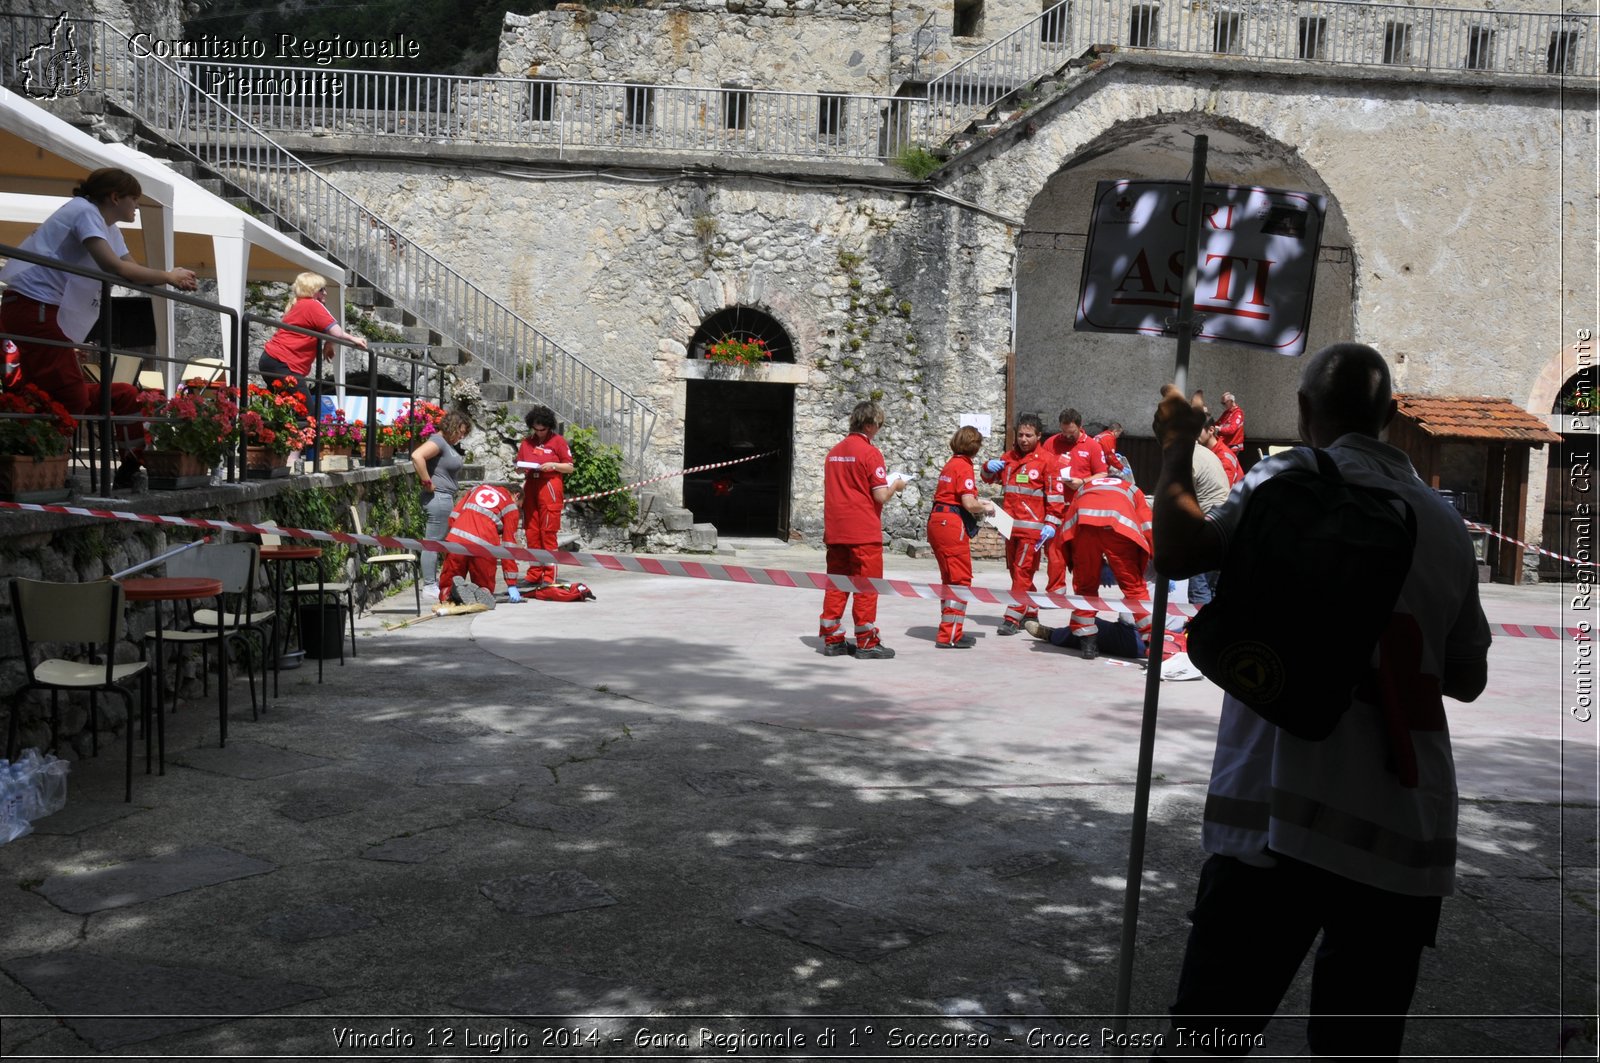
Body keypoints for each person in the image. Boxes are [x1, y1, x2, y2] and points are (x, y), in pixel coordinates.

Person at [1150, 342, 1491, 1059]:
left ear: (1305, 413)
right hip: (1402, 824)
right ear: (1392, 416)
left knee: (1207, 1038)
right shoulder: (1444, 522)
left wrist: (1178, 444)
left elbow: (1180, 551)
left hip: (1280, 812)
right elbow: (1466, 674)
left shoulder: (1289, 477)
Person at [0, 167, 198, 488]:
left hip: (44, 310)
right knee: (68, 395)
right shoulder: (84, 212)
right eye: (133, 199)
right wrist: (168, 276)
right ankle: (44, 469)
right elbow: (114, 266)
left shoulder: (108, 227)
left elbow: (129, 270)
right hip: (32, 306)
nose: (136, 206)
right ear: (114, 197)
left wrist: (167, 278)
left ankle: (131, 466)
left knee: (121, 394)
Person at [819, 400, 906, 659]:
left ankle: (832, 638)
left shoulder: (833, 452)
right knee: (867, 586)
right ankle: (867, 641)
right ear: (869, 425)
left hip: (836, 530)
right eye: (878, 425)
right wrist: (896, 485)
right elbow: (880, 496)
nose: (878, 430)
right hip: (863, 531)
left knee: (836, 584)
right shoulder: (871, 453)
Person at [981, 413, 1063, 635]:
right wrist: (987, 467)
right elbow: (989, 479)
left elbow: (1056, 497)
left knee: (1022, 570)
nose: (1023, 439)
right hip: (1007, 525)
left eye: (1028, 435)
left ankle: (1012, 616)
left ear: (1039, 436)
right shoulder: (1008, 457)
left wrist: (1051, 524)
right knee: (1016, 572)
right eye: (1020, 435)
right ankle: (1031, 609)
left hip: (1033, 529)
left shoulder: (1048, 461)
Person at [1055, 473, 1152, 660]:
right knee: (1135, 588)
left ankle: (1088, 643)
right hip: (1118, 530)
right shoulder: (1131, 488)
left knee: (1085, 588)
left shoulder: (1085, 487)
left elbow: (1069, 522)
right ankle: (1152, 643)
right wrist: (1156, 555)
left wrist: (1072, 560)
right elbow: (1147, 524)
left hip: (1085, 530)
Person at [260, 272, 368, 424]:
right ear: (313, 291)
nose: (325, 292)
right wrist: (353, 339)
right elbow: (335, 331)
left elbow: (324, 329)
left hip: (270, 359)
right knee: (307, 415)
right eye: (322, 289)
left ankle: (272, 444)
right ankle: (294, 447)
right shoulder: (313, 304)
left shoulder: (297, 304)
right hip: (284, 363)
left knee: (282, 411)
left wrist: (329, 343)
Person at [927, 425, 995, 649]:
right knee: (960, 580)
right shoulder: (964, 467)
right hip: (950, 524)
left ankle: (952, 629)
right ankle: (950, 635)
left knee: (949, 579)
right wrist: (986, 508)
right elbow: (968, 503)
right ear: (975, 447)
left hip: (938, 520)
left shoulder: (950, 464)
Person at [1041, 408, 1106, 592]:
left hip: (1081, 510)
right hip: (1056, 508)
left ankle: (1083, 593)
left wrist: (1082, 482)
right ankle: (1055, 591)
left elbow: (1102, 474)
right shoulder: (1051, 443)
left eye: (1071, 433)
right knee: (1054, 552)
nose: (1067, 437)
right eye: (1063, 432)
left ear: (1080, 426)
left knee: (1082, 554)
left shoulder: (1092, 446)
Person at [516, 405, 575, 587]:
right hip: (531, 485)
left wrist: (553, 465)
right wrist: (518, 466)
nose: (539, 432)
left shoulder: (558, 441)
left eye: (543, 429)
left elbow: (569, 467)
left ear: (549, 426)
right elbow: (519, 464)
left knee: (547, 532)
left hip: (549, 485)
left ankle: (549, 576)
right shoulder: (527, 442)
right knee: (531, 531)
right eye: (536, 428)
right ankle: (534, 573)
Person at [437, 481, 523, 607]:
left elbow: (454, 516)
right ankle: (479, 594)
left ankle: (448, 596)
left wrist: (455, 536)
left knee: (450, 579)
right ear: (516, 495)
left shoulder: (477, 489)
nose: (518, 509)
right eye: (519, 506)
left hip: (457, 538)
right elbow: (508, 546)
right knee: (484, 587)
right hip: (484, 545)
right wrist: (511, 584)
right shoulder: (510, 507)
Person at [410, 410, 471, 587]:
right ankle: (429, 584)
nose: (461, 436)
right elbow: (417, 456)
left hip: (444, 498)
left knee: (437, 543)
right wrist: (427, 482)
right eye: (460, 432)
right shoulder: (438, 441)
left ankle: (435, 582)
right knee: (432, 542)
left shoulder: (445, 443)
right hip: (438, 498)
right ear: (452, 426)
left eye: (464, 434)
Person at [1184, 437, 1229, 608]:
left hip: (1206, 527)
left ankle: (1199, 631)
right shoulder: (1208, 453)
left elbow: (1178, 497)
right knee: (1214, 588)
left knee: (1199, 588)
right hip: (1223, 525)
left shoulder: (1188, 457)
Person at [1201, 421, 1244, 486]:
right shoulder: (1207, 451)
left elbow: (1224, 489)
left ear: (1211, 430)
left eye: (1197, 430)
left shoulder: (1224, 457)